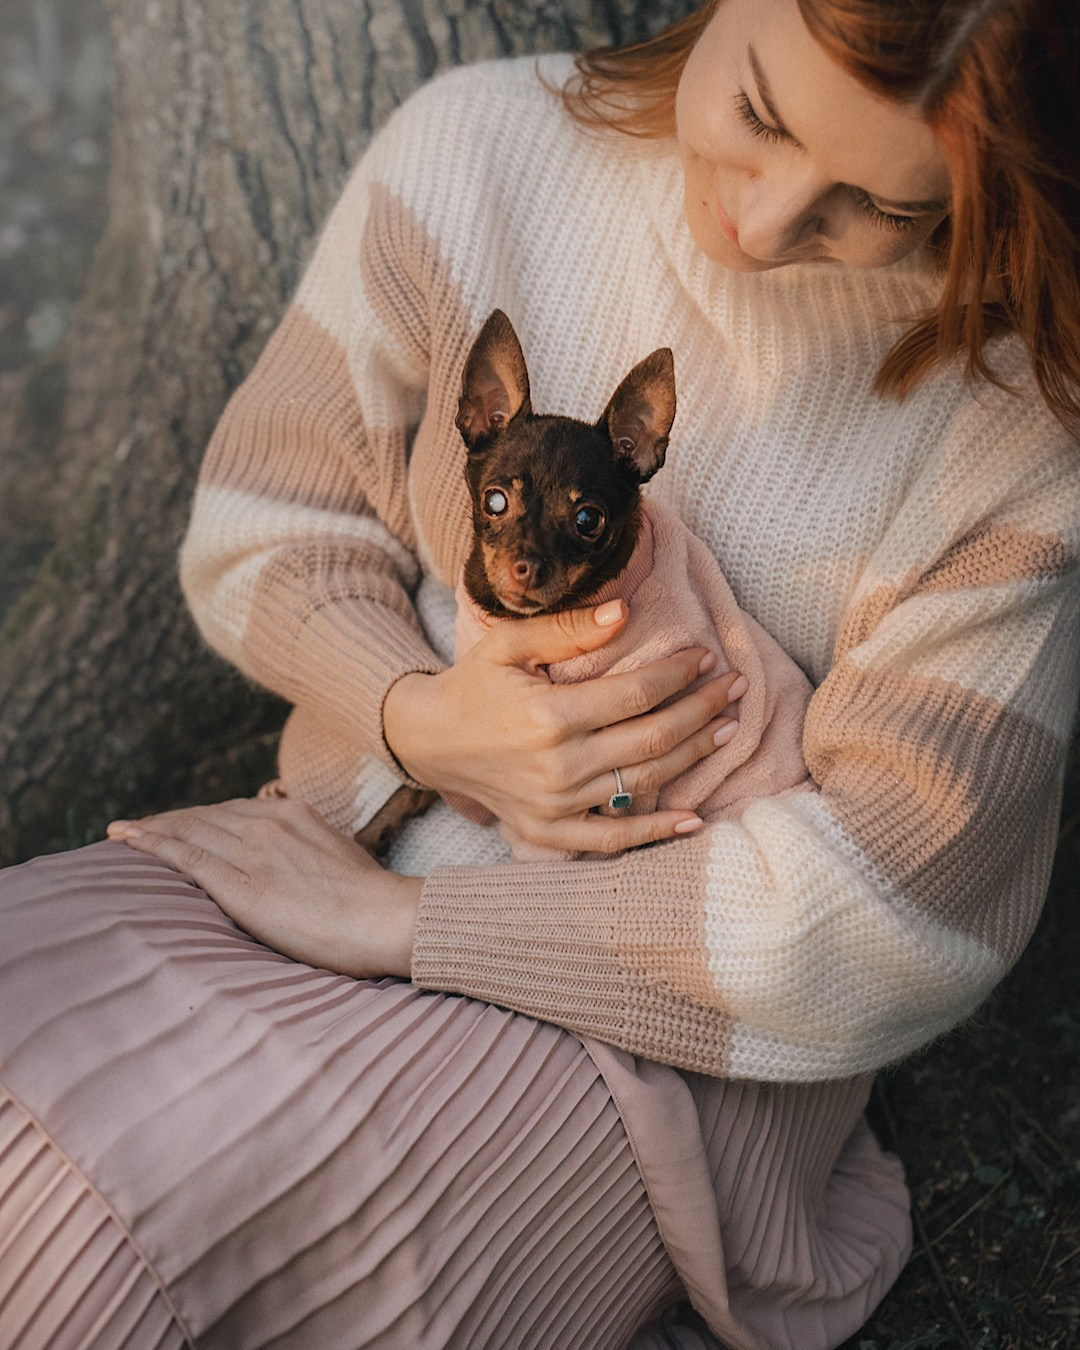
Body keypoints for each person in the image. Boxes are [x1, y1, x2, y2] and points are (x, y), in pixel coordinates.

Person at [2, 0, 1078, 1345]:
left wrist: (414, 933)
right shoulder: (474, 154)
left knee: (111, 1252)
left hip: (661, 1034)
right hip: (345, 833)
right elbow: (264, 525)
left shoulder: (1016, 423)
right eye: (758, 110)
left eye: (879, 205)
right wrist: (420, 722)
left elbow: (884, 912)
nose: (764, 217)